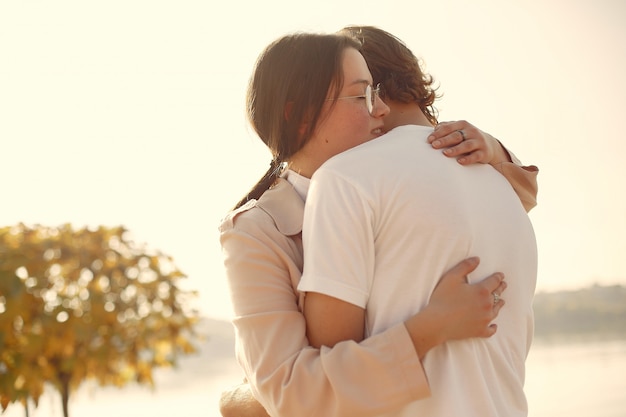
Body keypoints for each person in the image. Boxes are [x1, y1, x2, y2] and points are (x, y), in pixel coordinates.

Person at [219, 31, 537, 417]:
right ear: (298, 116)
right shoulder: (258, 231)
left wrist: (491, 147)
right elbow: (290, 394)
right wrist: (429, 329)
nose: (381, 109)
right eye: (362, 95)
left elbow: (511, 194)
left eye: (377, 92)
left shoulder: (385, 188)